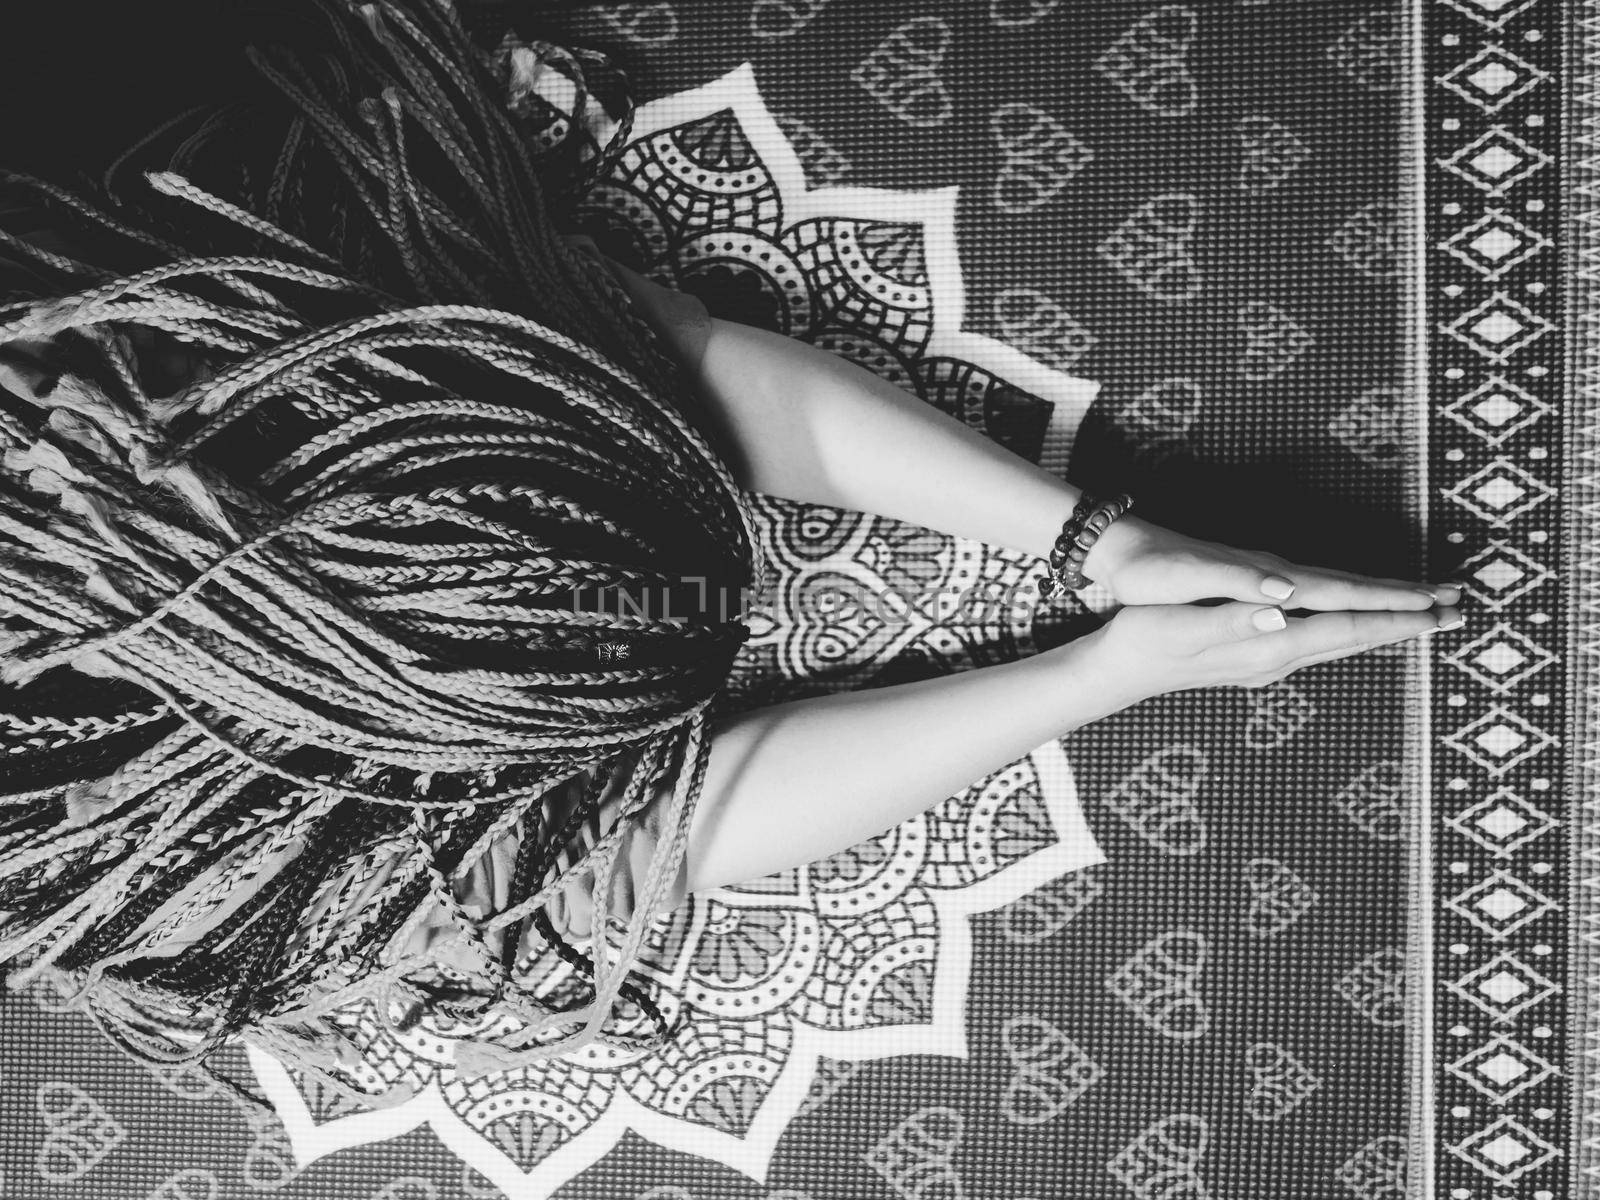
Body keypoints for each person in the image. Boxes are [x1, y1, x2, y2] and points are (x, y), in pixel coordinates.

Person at [0, 0, 1462, 1096]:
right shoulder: (136, 843)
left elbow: (663, 373)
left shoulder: (127, 268)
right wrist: (1112, 662)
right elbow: (636, 848)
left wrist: (1090, 542)